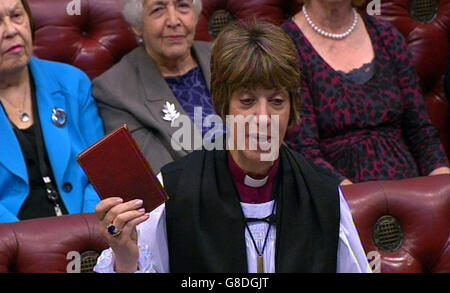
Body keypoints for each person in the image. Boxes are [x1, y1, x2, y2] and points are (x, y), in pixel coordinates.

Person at [94, 20, 371, 273]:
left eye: (276, 101)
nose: (263, 119)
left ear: (292, 108)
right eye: (247, 101)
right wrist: (126, 260)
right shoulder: (175, 190)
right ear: (224, 106)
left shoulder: (323, 195)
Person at [282, 0, 450, 185]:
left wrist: (441, 182)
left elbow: (420, 131)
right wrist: (355, 203)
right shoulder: (287, 48)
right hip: (338, 198)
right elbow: (304, 152)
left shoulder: (386, 36)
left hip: (409, 191)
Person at [0, 0, 105, 223]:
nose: (11, 31)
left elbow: (101, 172)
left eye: (16, 16)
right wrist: (20, 245)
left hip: (88, 237)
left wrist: (86, 229)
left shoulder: (72, 83)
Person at [93, 0, 215, 173]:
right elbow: (161, 175)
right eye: (158, 9)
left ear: (195, 16)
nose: (173, 21)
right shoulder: (115, 90)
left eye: (183, 6)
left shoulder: (229, 57)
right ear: (138, 25)